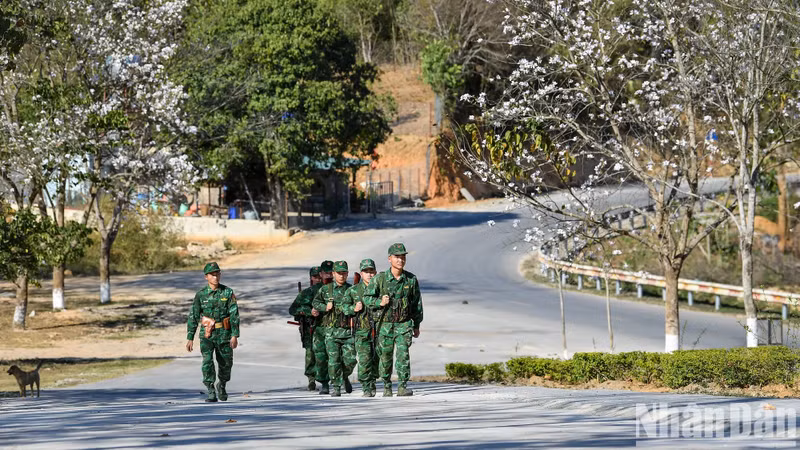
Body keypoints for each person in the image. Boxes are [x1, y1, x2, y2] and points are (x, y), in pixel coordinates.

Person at [364, 243, 422, 397]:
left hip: (404, 324)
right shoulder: (380, 279)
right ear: (389, 258)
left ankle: (402, 386)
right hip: (385, 324)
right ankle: (387, 386)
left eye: (403, 257)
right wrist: (380, 302)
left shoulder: (410, 279)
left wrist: (416, 324)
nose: (400, 260)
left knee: (403, 355)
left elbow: (416, 303)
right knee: (385, 356)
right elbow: (367, 298)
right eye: (397, 257)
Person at [186, 262, 240, 402]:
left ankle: (221, 385)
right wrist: (190, 337)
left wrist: (234, 335)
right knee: (207, 362)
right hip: (207, 334)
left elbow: (234, 315)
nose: (215, 277)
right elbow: (193, 316)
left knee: (226, 363)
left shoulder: (227, 292)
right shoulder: (201, 295)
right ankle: (210, 389)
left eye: (217, 274)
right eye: (212, 275)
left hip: (224, 333)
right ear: (206, 277)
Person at [312, 260, 356, 397]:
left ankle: (344, 376)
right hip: (331, 332)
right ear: (333, 274)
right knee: (333, 360)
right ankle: (336, 387)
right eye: (339, 273)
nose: (342, 276)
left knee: (350, 360)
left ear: (347, 273)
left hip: (347, 332)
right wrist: (325, 307)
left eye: (344, 273)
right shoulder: (326, 289)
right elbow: (315, 302)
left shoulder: (352, 290)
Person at [344, 258, 379, 397]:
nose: (369, 274)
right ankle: (366, 386)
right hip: (361, 331)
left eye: (372, 271)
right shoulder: (354, 290)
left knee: (377, 358)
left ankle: (373, 381)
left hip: (379, 330)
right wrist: (353, 308)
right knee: (364, 359)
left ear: (375, 272)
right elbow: (344, 307)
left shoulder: (380, 288)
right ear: (361, 273)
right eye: (366, 271)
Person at [288, 266, 323, 390]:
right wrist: (308, 311)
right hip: (309, 327)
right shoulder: (306, 293)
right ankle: (311, 379)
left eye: (320, 277)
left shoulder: (327, 291)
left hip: (325, 327)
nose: (318, 279)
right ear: (311, 278)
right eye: (315, 277)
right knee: (310, 353)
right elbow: (292, 309)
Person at [311, 260, 335, 393]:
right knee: (321, 357)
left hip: (337, 328)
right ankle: (324, 383)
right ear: (321, 274)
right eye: (326, 273)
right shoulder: (314, 290)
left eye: (331, 272)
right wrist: (310, 311)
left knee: (340, 356)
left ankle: (341, 378)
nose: (329, 275)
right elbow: (295, 308)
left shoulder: (342, 288)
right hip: (320, 327)